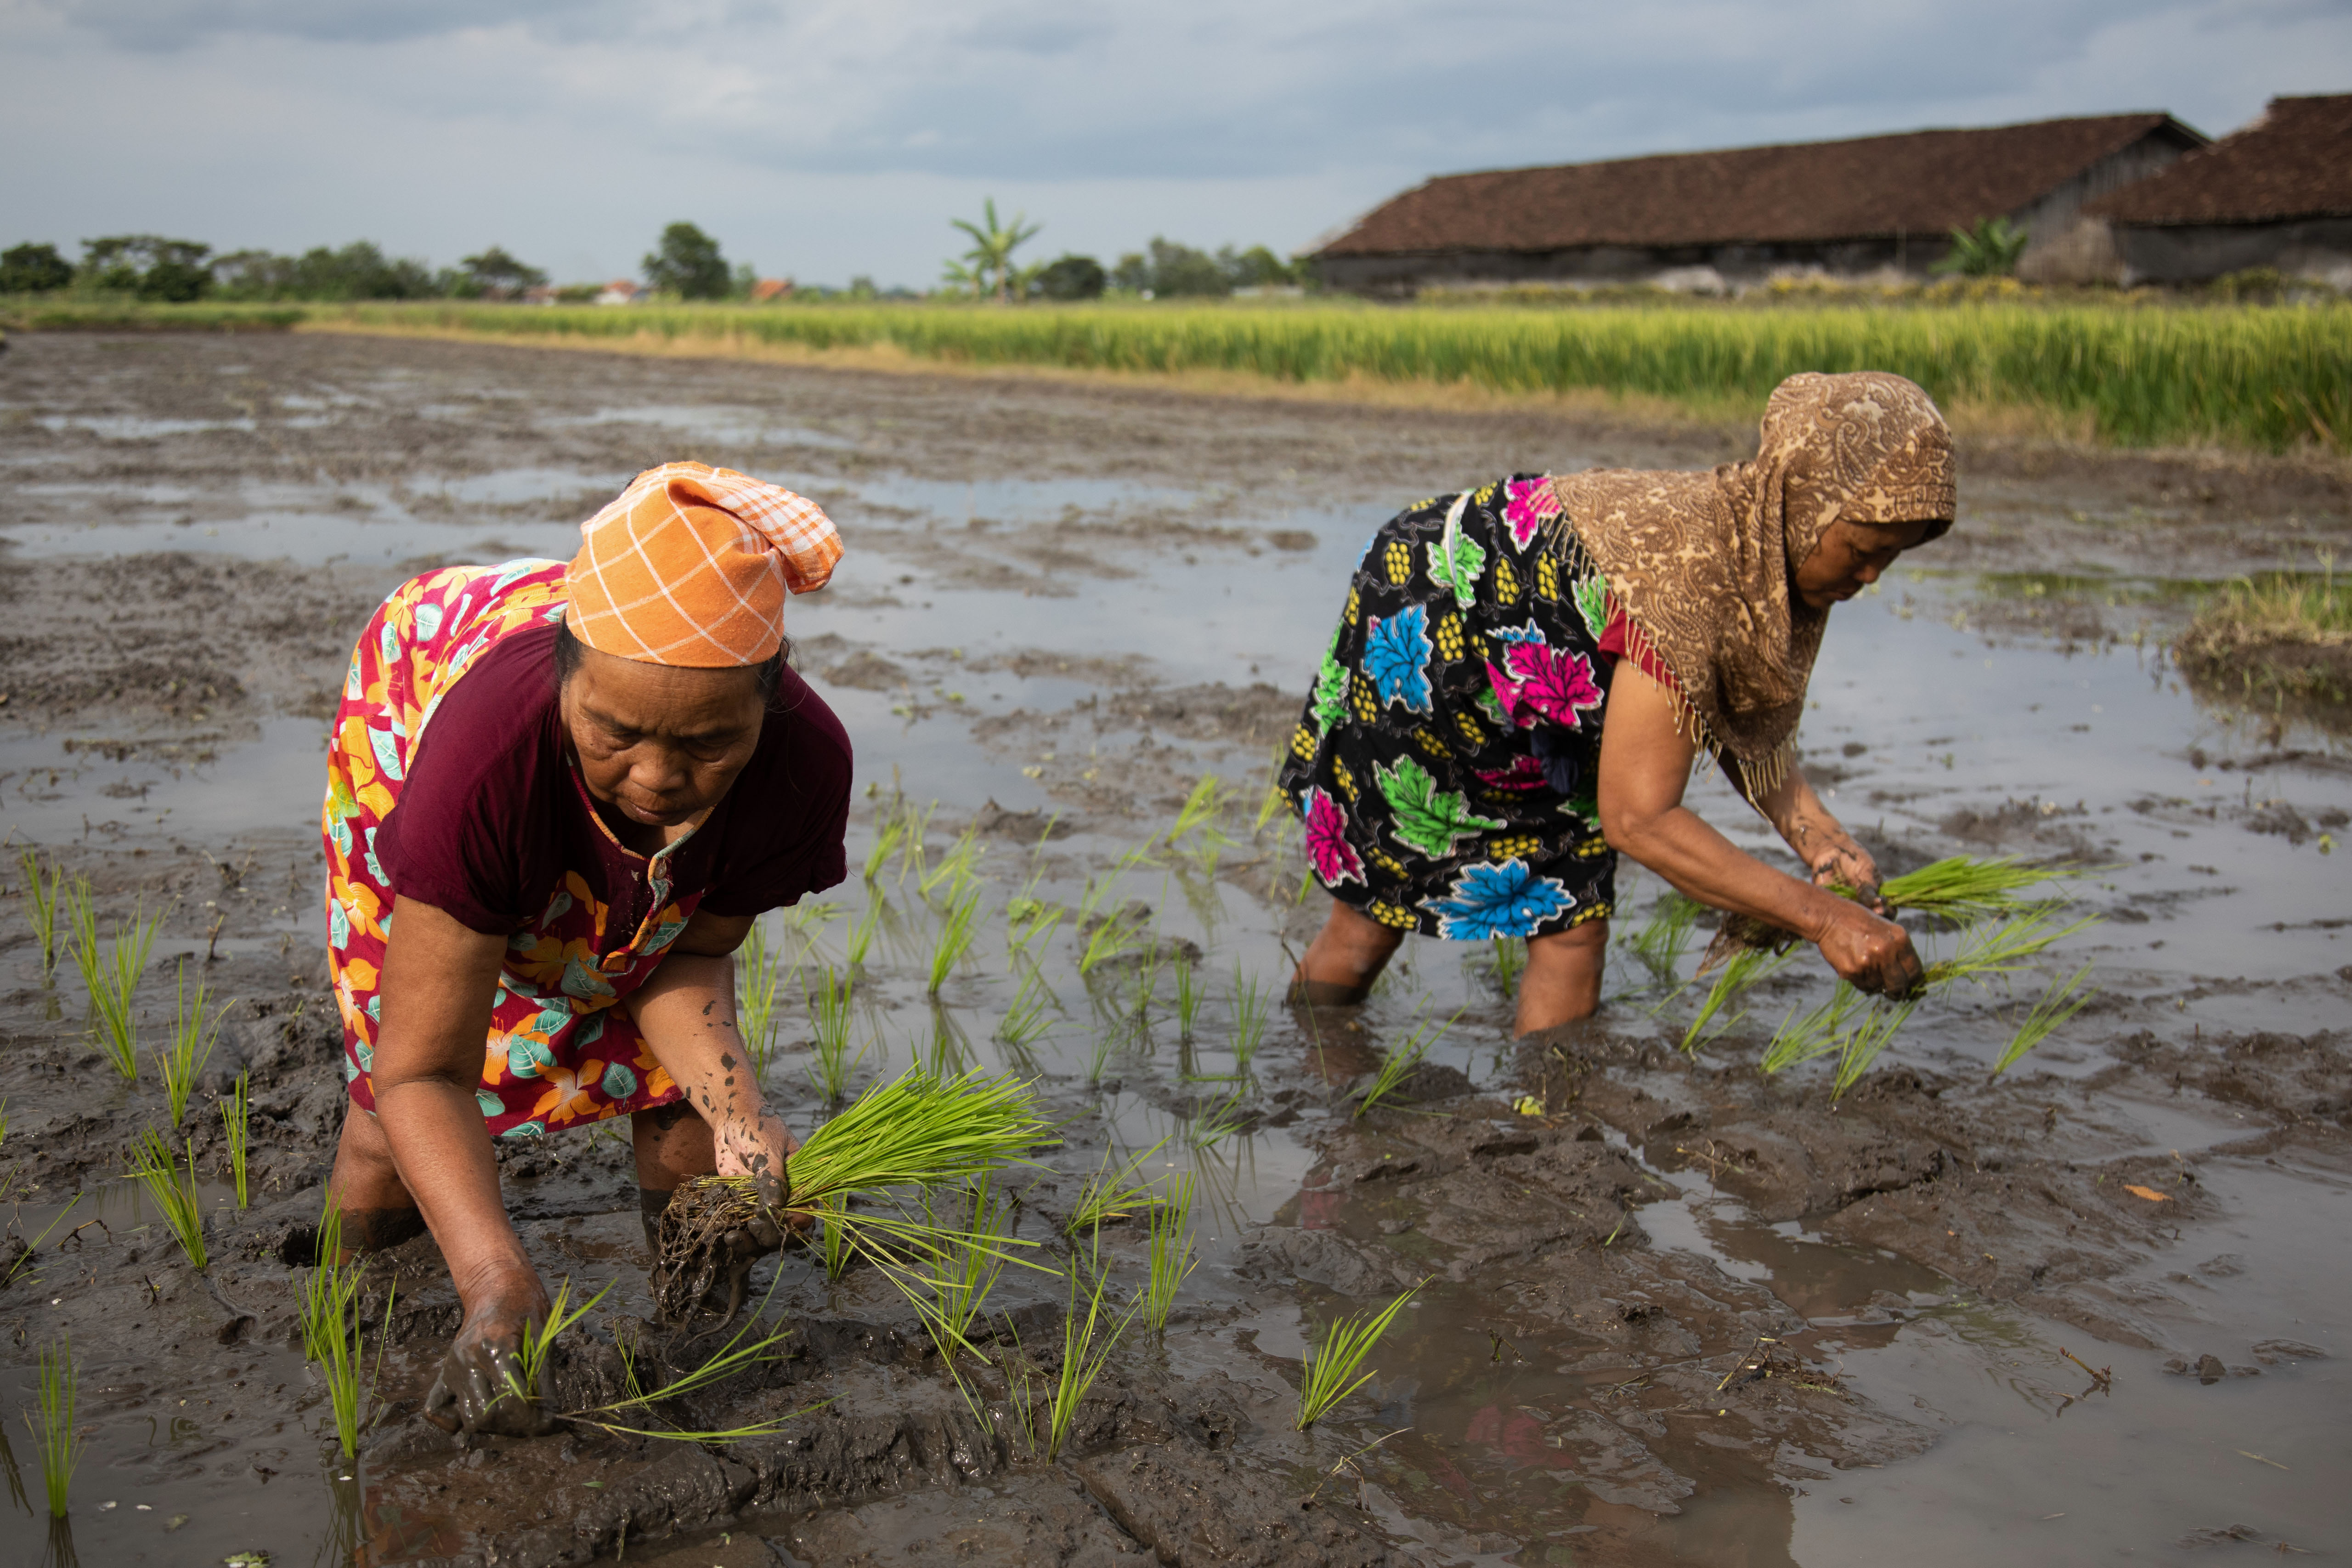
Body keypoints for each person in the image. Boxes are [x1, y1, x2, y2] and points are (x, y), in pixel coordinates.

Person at [317, 461, 852, 1435]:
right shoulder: (482, 757)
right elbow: (424, 1070)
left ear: (767, 706)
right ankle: (351, 1328)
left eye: (709, 746)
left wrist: (740, 1115)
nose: (657, 778)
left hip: (571, 744)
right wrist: (496, 1280)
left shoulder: (802, 765)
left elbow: (685, 961)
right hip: (421, 692)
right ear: (565, 674)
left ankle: (694, 1323)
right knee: (385, 1099)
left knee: (674, 1090)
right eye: (616, 732)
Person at [1280, 371, 1952, 1034]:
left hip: (1547, 688)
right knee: (1374, 910)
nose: (1869, 577)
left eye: (1889, 559)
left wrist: (1824, 844)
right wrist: (1825, 917)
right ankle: (1310, 1063)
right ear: (1807, 505)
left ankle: (1546, 1126)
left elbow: (1735, 718)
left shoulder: (1767, 553)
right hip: (1426, 633)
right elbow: (1640, 819)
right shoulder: (1693, 575)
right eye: (1863, 550)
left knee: (1573, 924)